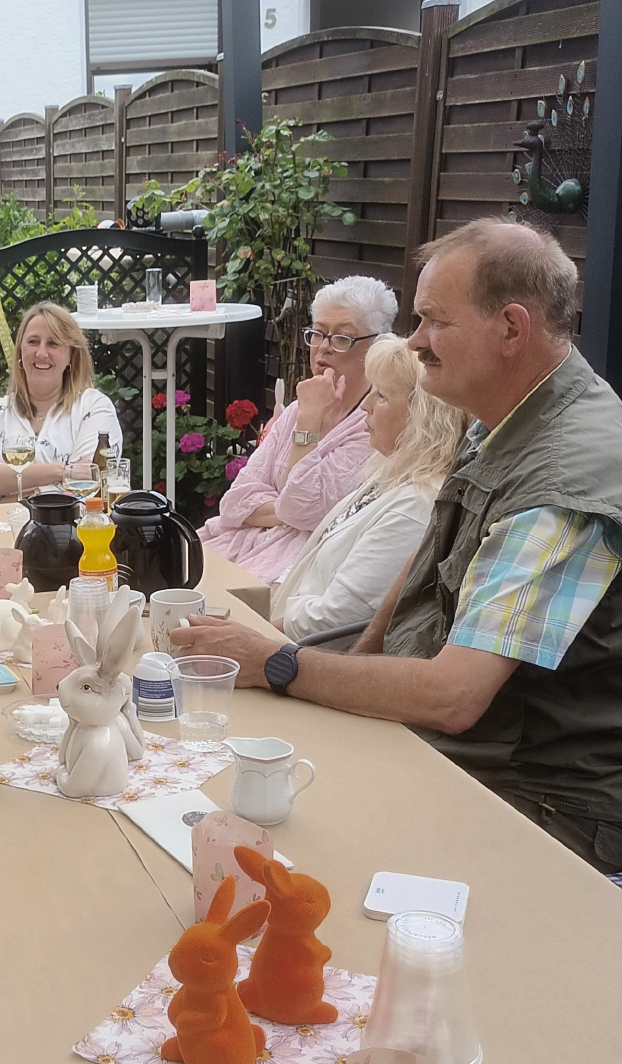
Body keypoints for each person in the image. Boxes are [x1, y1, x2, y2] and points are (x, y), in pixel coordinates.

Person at [171, 219, 622, 873]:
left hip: (540, 807)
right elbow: (423, 564)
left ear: (511, 329)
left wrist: (278, 664)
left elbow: (454, 697)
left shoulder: (563, 481)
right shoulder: (509, 419)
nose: (415, 341)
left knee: (259, 841)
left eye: (434, 320)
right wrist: (349, 676)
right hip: (462, 757)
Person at [270, 335, 466, 643]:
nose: (365, 404)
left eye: (382, 395)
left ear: (424, 416)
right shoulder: (390, 473)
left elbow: (340, 617)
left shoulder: (418, 504)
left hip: (300, 657)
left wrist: (260, 633)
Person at [198, 276, 394, 580]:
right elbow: (235, 502)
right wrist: (287, 511)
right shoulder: (294, 411)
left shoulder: (372, 424)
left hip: (291, 573)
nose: (323, 348)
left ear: (376, 347)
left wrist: (309, 422)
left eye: (342, 338)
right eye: (317, 333)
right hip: (237, 548)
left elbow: (303, 509)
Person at [0, 301, 123, 497]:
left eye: (53, 343)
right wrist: (63, 472)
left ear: (71, 355)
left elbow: (91, 485)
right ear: (20, 350)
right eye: (33, 342)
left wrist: (8, 491)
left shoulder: (94, 408)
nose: (41, 353)